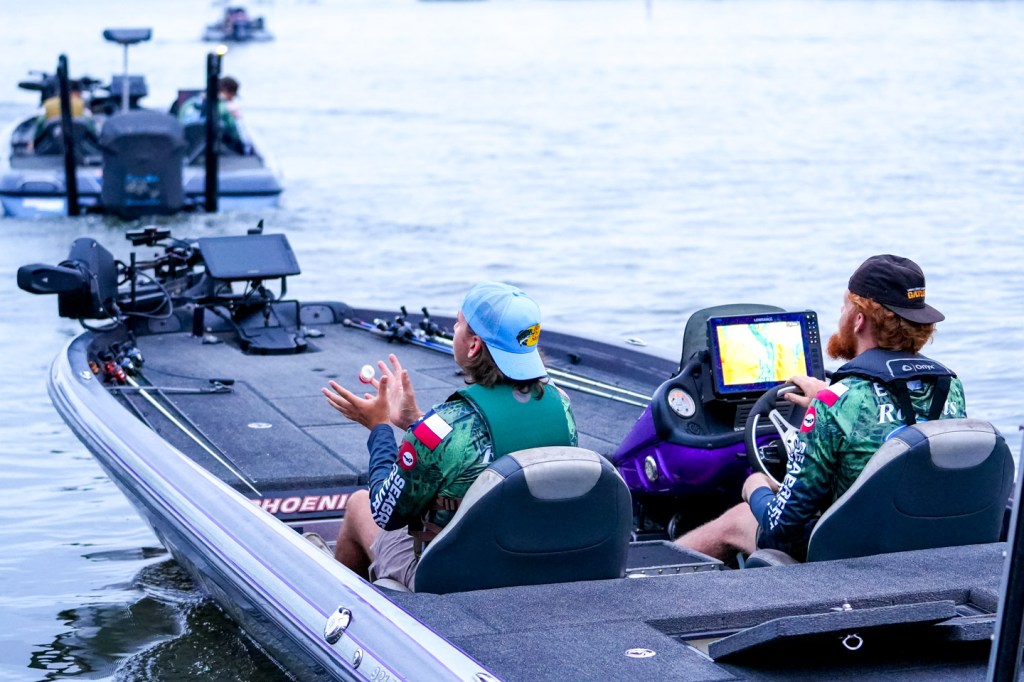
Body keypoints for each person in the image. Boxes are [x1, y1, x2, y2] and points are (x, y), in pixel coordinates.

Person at [675, 254, 967, 562]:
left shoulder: (836, 404)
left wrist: (756, 488)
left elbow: (779, 529)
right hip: (924, 544)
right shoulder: (950, 388)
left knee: (738, 518)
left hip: (851, 557)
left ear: (858, 319)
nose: (841, 314)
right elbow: (892, 422)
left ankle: (649, 580)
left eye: (845, 306)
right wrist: (829, 400)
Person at [321, 282, 578, 590]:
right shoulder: (561, 407)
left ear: (473, 346)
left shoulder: (444, 427)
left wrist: (379, 427)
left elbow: (385, 511)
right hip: (538, 563)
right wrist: (415, 422)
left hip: (454, 577)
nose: (454, 329)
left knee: (359, 505)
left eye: (458, 323)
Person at [177, 76, 251, 154]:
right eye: (232, 96)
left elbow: (180, 122)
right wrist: (236, 118)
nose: (232, 100)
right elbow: (233, 132)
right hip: (212, 150)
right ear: (226, 92)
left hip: (188, 147)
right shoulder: (225, 107)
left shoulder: (188, 103)